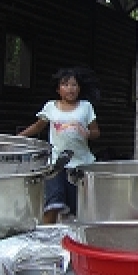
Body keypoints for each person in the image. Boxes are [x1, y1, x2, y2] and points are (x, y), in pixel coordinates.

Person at [18, 66, 101, 224]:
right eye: (65, 85)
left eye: (74, 85)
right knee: (53, 203)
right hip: (56, 163)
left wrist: (88, 133)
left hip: (80, 164)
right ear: (58, 89)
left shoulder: (86, 107)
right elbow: (37, 127)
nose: (70, 89)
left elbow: (96, 132)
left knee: (77, 206)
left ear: (79, 88)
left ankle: (74, 238)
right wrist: (19, 138)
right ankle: (45, 237)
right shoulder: (50, 107)